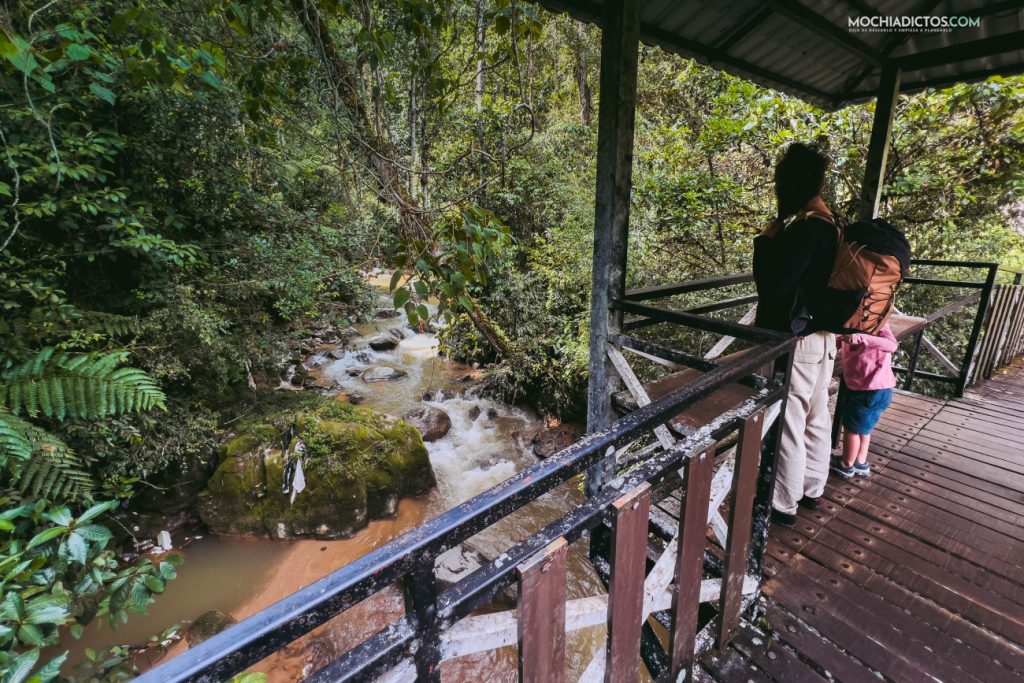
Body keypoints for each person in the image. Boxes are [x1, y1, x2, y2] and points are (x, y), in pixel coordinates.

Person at [752, 142, 839, 529]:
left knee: (789, 422)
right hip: (825, 339)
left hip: (799, 341)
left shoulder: (805, 229)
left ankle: (783, 502)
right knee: (816, 416)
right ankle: (811, 488)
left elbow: (772, 288)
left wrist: (766, 241)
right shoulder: (834, 224)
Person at [832, 324, 897, 478]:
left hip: (871, 391)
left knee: (852, 429)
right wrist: (839, 341)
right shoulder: (850, 326)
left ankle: (846, 465)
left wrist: (859, 338)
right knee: (864, 428)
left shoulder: (880, 326)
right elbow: (843, 343)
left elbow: (892, 345)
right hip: (872, 389)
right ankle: (860, 462)